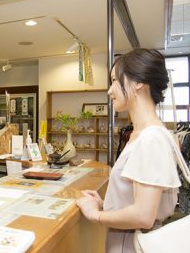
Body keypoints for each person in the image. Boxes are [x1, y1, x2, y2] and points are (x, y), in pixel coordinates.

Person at [76, 48, 181, 253]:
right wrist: (106, 204)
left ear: (139, 83)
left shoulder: (151, 139)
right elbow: (140, 199)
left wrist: (96, 215)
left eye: (115, 80)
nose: (109, 90)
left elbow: (143, 215)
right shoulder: (142, 134)